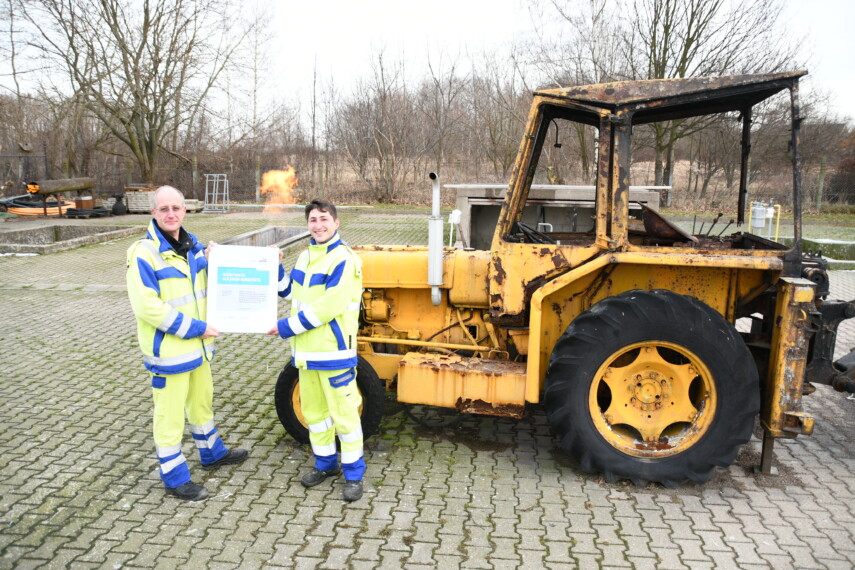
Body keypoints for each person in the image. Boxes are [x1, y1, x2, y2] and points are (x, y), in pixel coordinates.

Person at [126, 185, 248, 501]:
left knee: (201, 404)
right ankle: (175, 478)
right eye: (163, 209)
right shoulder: (143, 253)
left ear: (185, 210)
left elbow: (203, 281)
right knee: (169, 417)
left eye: (176, 208)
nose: (170, 214)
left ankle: (212, 453)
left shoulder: (191, 246)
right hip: (170, 352)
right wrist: (196, 328)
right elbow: (148, 307)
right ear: (153, 213)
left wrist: (222, 260)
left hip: (198, 349)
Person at [268, 199, 365, 502]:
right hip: (307, 356)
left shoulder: (344, 259)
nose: (319, 225)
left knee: (345, 417)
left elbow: (329, 307)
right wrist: (272, 267)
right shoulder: (306, 256)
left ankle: (353, 474)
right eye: (313, 220)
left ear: (336, 223)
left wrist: (286, 327)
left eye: (324, 219)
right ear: (307, 224)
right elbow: (290, 291)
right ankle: (325, 465)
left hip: (334, 353)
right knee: (315, 415)